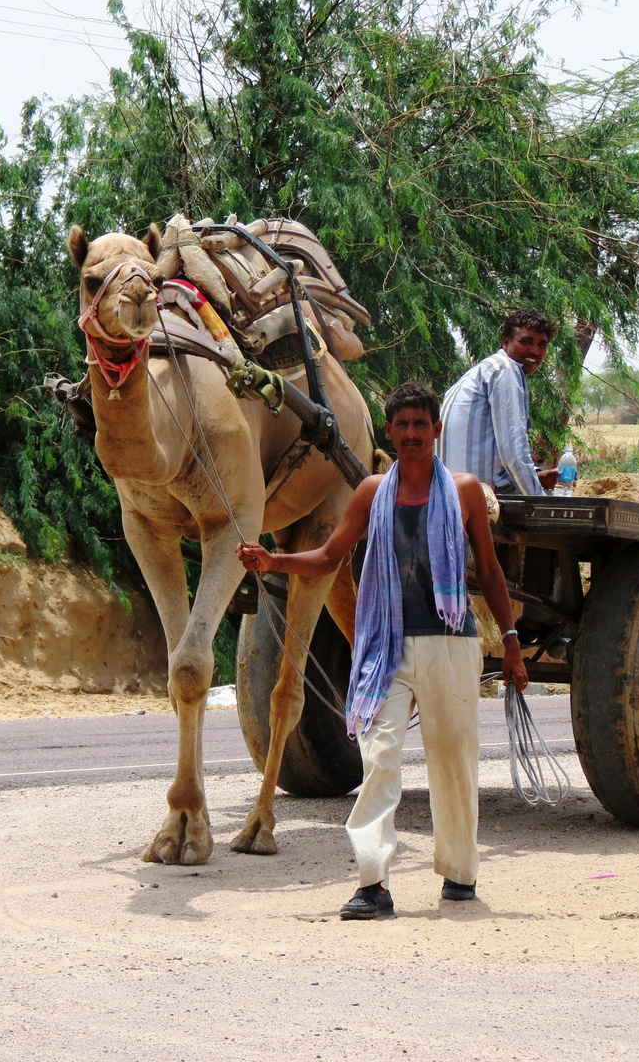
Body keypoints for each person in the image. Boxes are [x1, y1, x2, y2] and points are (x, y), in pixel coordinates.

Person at [237, 382, 528, 920]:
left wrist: (510, 644)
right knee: (377, 757)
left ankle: (460, 875)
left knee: (455, 762)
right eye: (403, 426)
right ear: (389, 433)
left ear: (436, 431)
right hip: (383, 647)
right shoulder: (371, 492)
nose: (412, 434)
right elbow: (328, 557)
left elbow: (488, 571)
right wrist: (272, 563)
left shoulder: (464, 491)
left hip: (451, 643)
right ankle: (373, 884)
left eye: (422, 424)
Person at [438, 308, 559, 496]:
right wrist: (539, 500)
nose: (535, 351)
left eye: (542, 345)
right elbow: (513, 452)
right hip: (481, 497)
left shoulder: (478, 373)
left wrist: (536, 476)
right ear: (505, 342)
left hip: (448, 492)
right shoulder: (506, 370)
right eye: (526, 341)